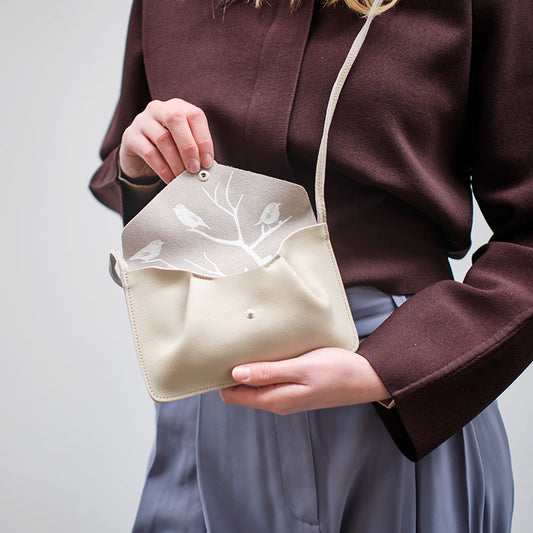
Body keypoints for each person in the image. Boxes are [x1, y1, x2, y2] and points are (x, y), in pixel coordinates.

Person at [89, 0, 532, 531]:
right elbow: (135, 173)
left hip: (390, 398)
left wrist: (395, 366)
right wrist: (143, 168)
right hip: (211, 400)